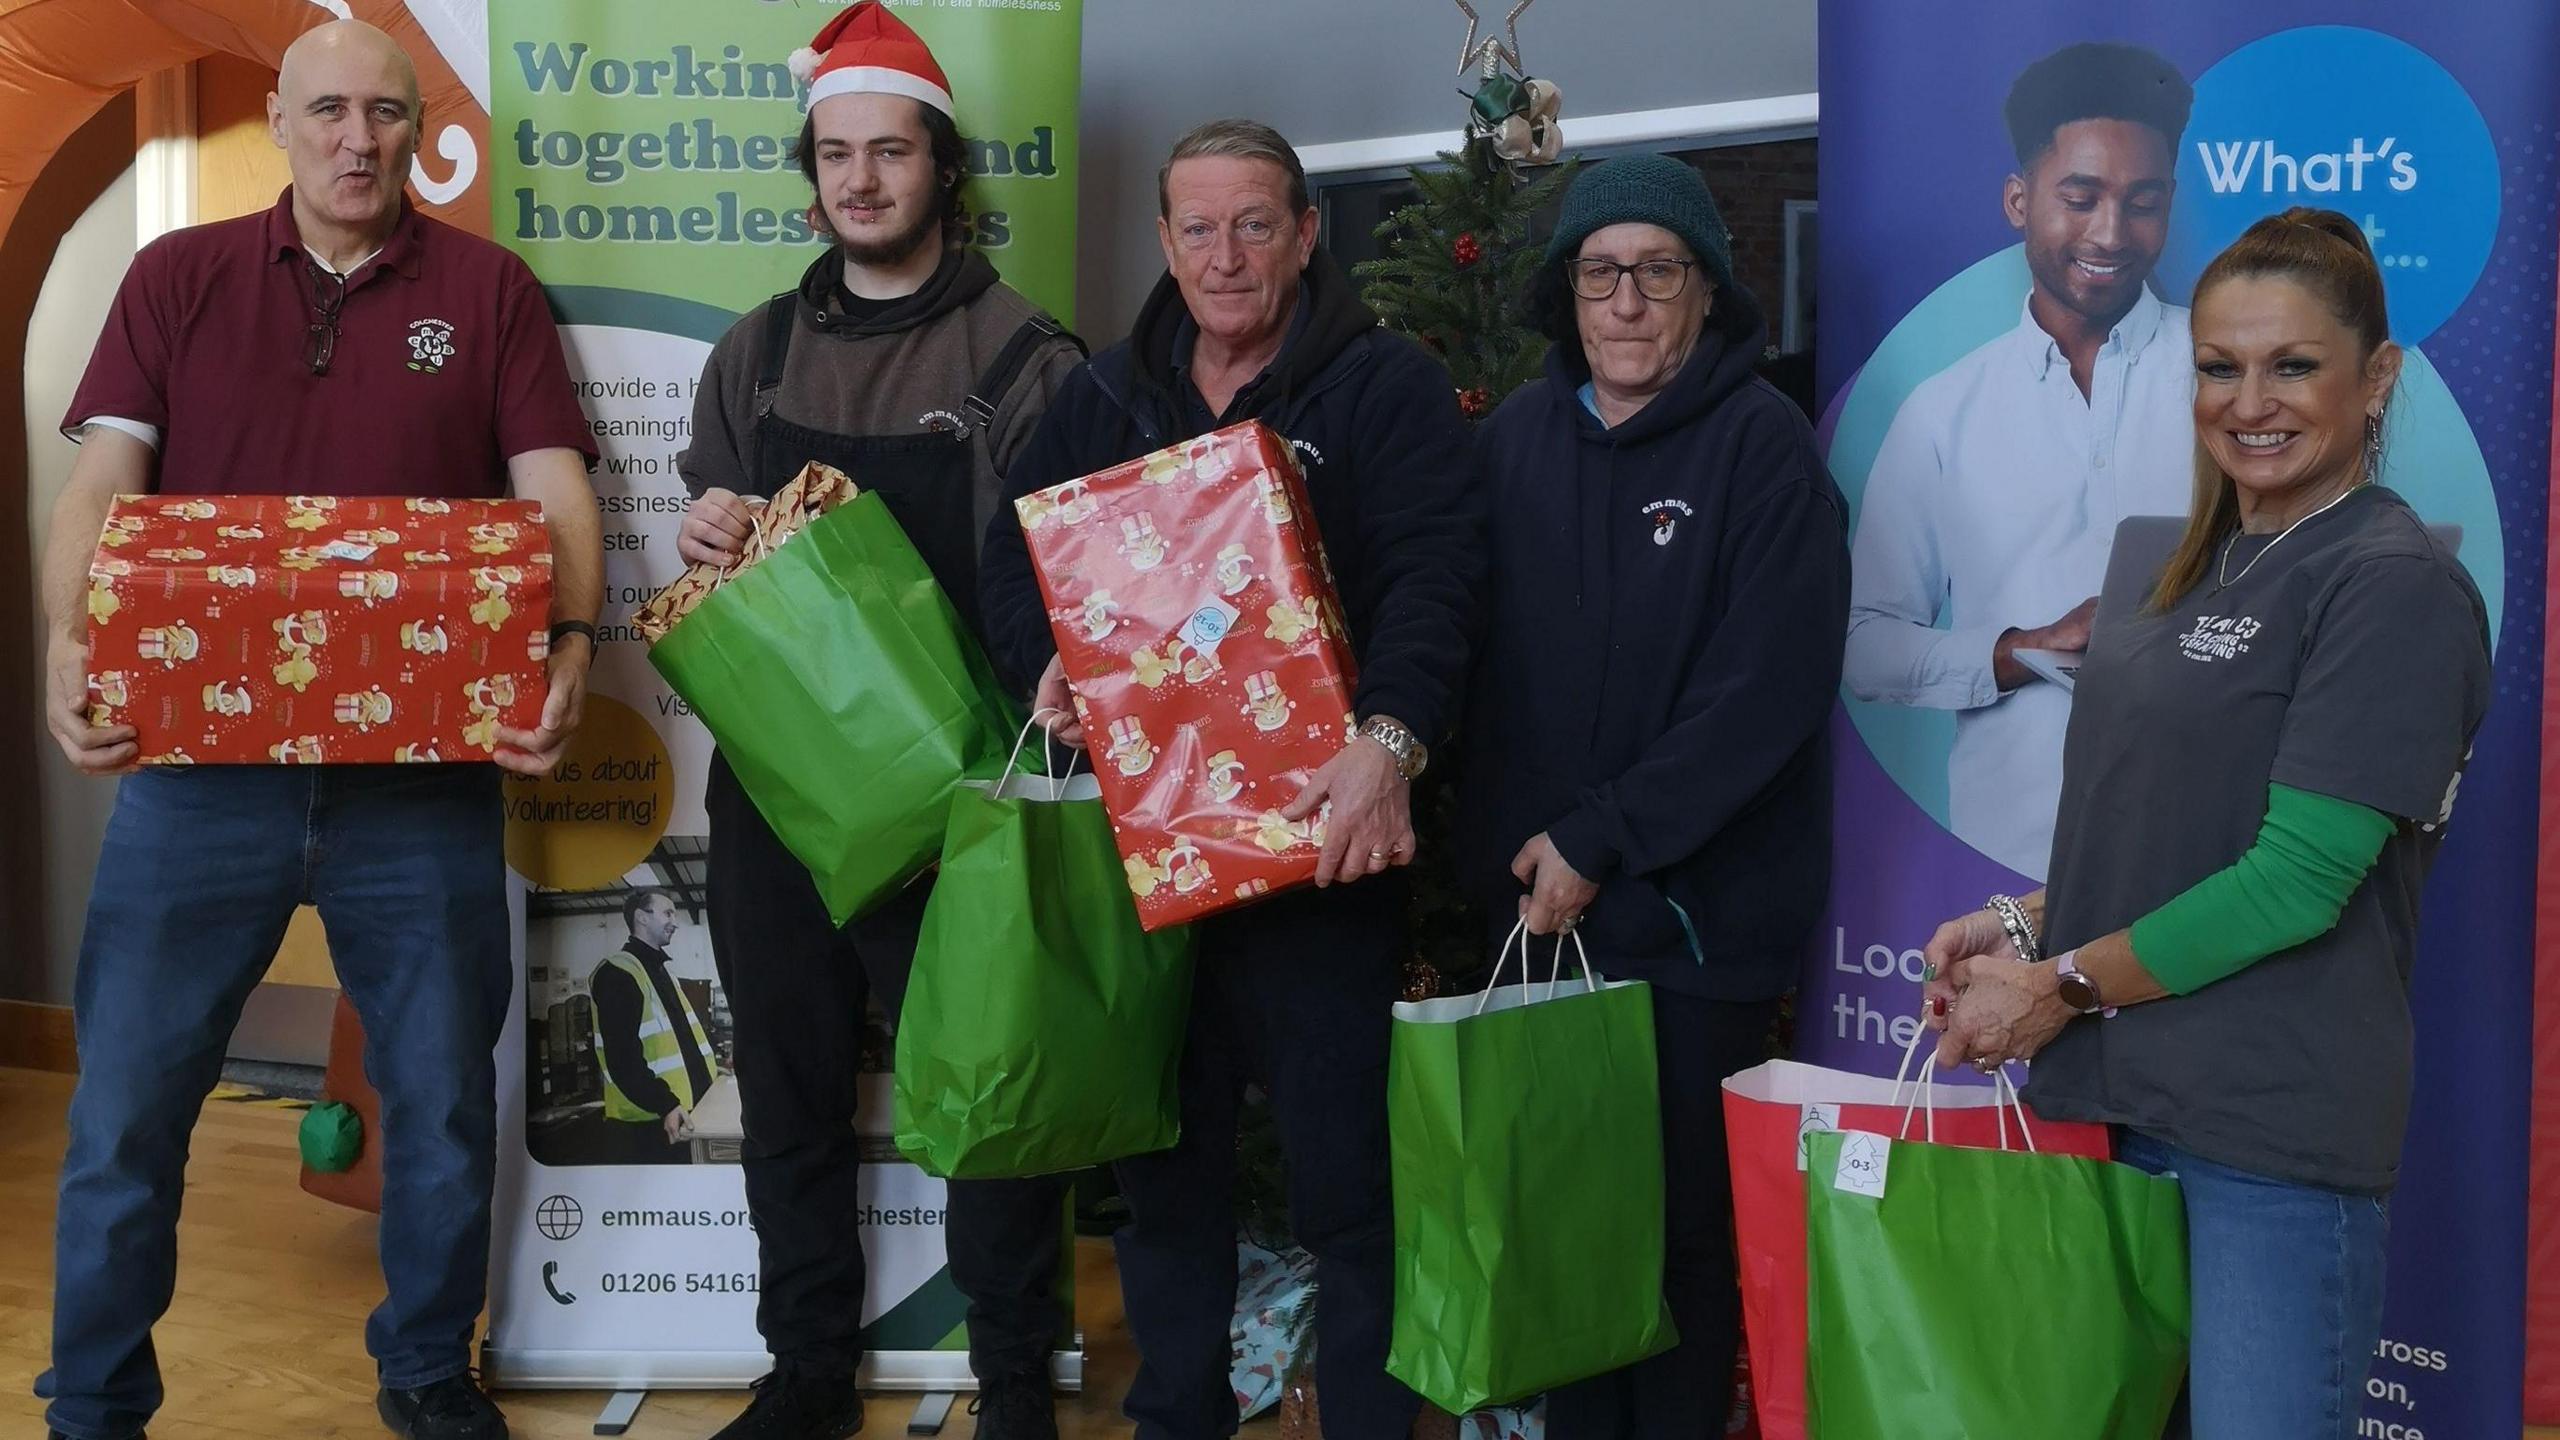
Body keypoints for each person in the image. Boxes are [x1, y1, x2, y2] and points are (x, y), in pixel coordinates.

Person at [34, 20, 600, 1440]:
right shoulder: (176, 279)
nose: (360, 139)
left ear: (423, 132)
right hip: (198, 785)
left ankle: (422, 1373)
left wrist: (574, 643)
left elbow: (556, 493)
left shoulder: (488, 290)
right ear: (284, 120)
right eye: (331, 111)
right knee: (123, 1119)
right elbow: (102, 481)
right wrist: (67, 640)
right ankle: (95, 1402)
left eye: (387, 114)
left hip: (420, 793)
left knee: (441, 1111)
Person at [1926, 209, 2491, 1439]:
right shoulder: (2178, 563)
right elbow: (2174, 822)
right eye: (2219, 366)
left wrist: (2056, 986)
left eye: (2293, 365)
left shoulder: (2390, 585)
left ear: (2375, 377)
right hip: (2122, 1116)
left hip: (2265, 1145)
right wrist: (2023, 920)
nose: (2250, 401)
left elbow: (2293, 881)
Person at [977, 118, 1482, 1440]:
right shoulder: (1103, 397)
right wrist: (1046, 670)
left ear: (1306, 234)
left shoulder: (1384, 390)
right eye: (1197, 227)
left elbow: (1441, 582)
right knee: (1165, 1179)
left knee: (1347, 1187)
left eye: (1255, 223)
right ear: (1163, 241)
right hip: (1157, 865)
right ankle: (1176, 1420)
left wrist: (1392, 740)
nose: (1225, 254)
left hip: (1326, 854)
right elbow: (1012, 558)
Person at [671, 7, 1086, 1438]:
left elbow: (1070, 580)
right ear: (813, 174)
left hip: (958, 809)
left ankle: (1017, 1382)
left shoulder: (1029, 353)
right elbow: (711, 563)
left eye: (889, 152)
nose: (861, 180)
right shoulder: (758, 352)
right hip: (778, 799)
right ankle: (805, 1377)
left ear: (940, 167)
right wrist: (707, 528)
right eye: (837, 155)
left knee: (984, 1101)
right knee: (786, 1094)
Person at [1456, 154, 1847, 1439]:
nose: (1625, 301)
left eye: (1657, 272)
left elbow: (1764, 697)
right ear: (1565, 294)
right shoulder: (1508, 441)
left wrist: (1603, 834)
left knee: (1680, 1248)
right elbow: (1458, 653)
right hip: (1542, 932)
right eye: (1599, 272)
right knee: (1570, 1242)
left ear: (1706, 293)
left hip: (1691, 935)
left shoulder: (1765, 451)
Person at [1843, 42, 2196, 879]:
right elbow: (1860, 644)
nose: (2111, 233)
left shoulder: (2229, 381)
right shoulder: (1942, 412)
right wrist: (2020, 649)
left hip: (2211, 870)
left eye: (2142, 202)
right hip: (2006, 867)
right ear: (2017, 200)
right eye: (2081, 198)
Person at [587, 888, 720, 1164]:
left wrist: (710, 1069)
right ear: (642, 918)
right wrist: (665, 1104)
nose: (675, 921)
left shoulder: (661, 972)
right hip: (648, 1125)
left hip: (680, 1115)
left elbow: (679, 1040)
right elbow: (622, 1058)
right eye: (668, 912)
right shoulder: (618, 974)